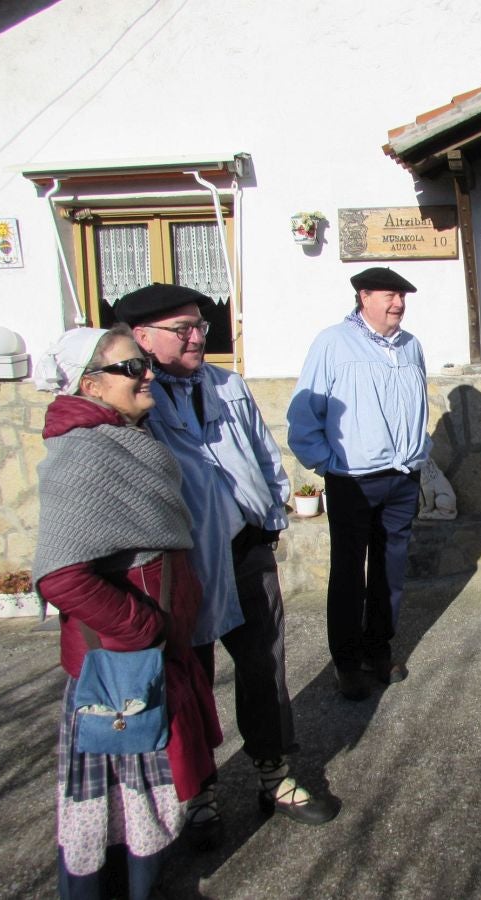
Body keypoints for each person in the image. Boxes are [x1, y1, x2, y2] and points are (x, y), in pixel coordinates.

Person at [113, 283, 337, 829]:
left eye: (200, 327)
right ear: (142, 337)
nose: (196, 337)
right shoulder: (135, 398)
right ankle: (199, 791)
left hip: (244, 552)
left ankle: (273, 773)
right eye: (182, 329)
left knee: (264, 665)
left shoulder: (227, 384)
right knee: (189, 678)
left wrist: (271, 518)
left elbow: (264, 453)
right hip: (179, 564)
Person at [33, 326, 223, 897]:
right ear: (89, 383)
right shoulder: (84, 451)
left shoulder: (120, 437)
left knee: (141, 796)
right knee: (122, 798)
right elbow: (61, 574)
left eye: (143, 363)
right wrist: (143, 627)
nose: (146, 375)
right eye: (129, 367)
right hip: (119, 668)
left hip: (147, 655)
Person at [286, 267, 431, 702]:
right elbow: (304, 413)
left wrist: (415, 453)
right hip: (353, 480)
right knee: (349, 573)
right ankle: (347, 664)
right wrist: (328, 462)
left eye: (403, 297)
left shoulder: (411, 346)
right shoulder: (333, 343)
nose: (398, 304)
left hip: (402, 477)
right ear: (363, 297)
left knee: (390, 570)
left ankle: (377, 651)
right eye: (390, 296)